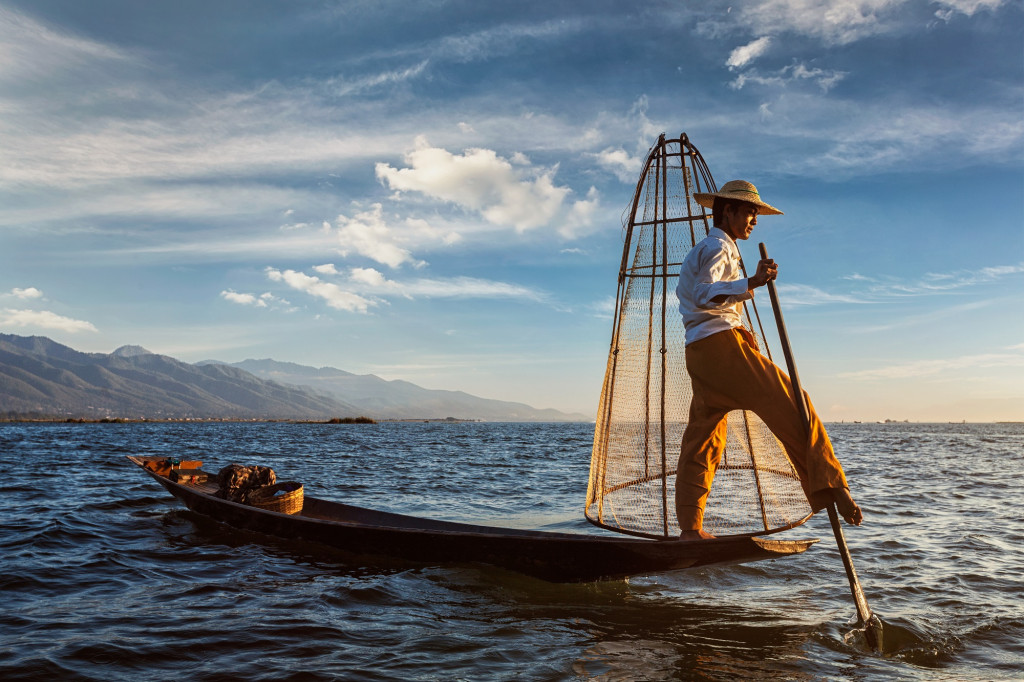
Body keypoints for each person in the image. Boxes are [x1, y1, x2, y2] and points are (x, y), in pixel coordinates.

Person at [675, 179, 862, 541]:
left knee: (704, 439)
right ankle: (832, 485)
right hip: (720, 349)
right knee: (796, 404)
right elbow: (702, 294)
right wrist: (753, 281)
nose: (754, 220)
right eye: (749, 212)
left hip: (699, 353)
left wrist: (742, 306)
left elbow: (705, 300)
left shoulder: (711, 248)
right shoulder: (718, 246)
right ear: (727, 211)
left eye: (756, 214)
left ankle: (690, 528)